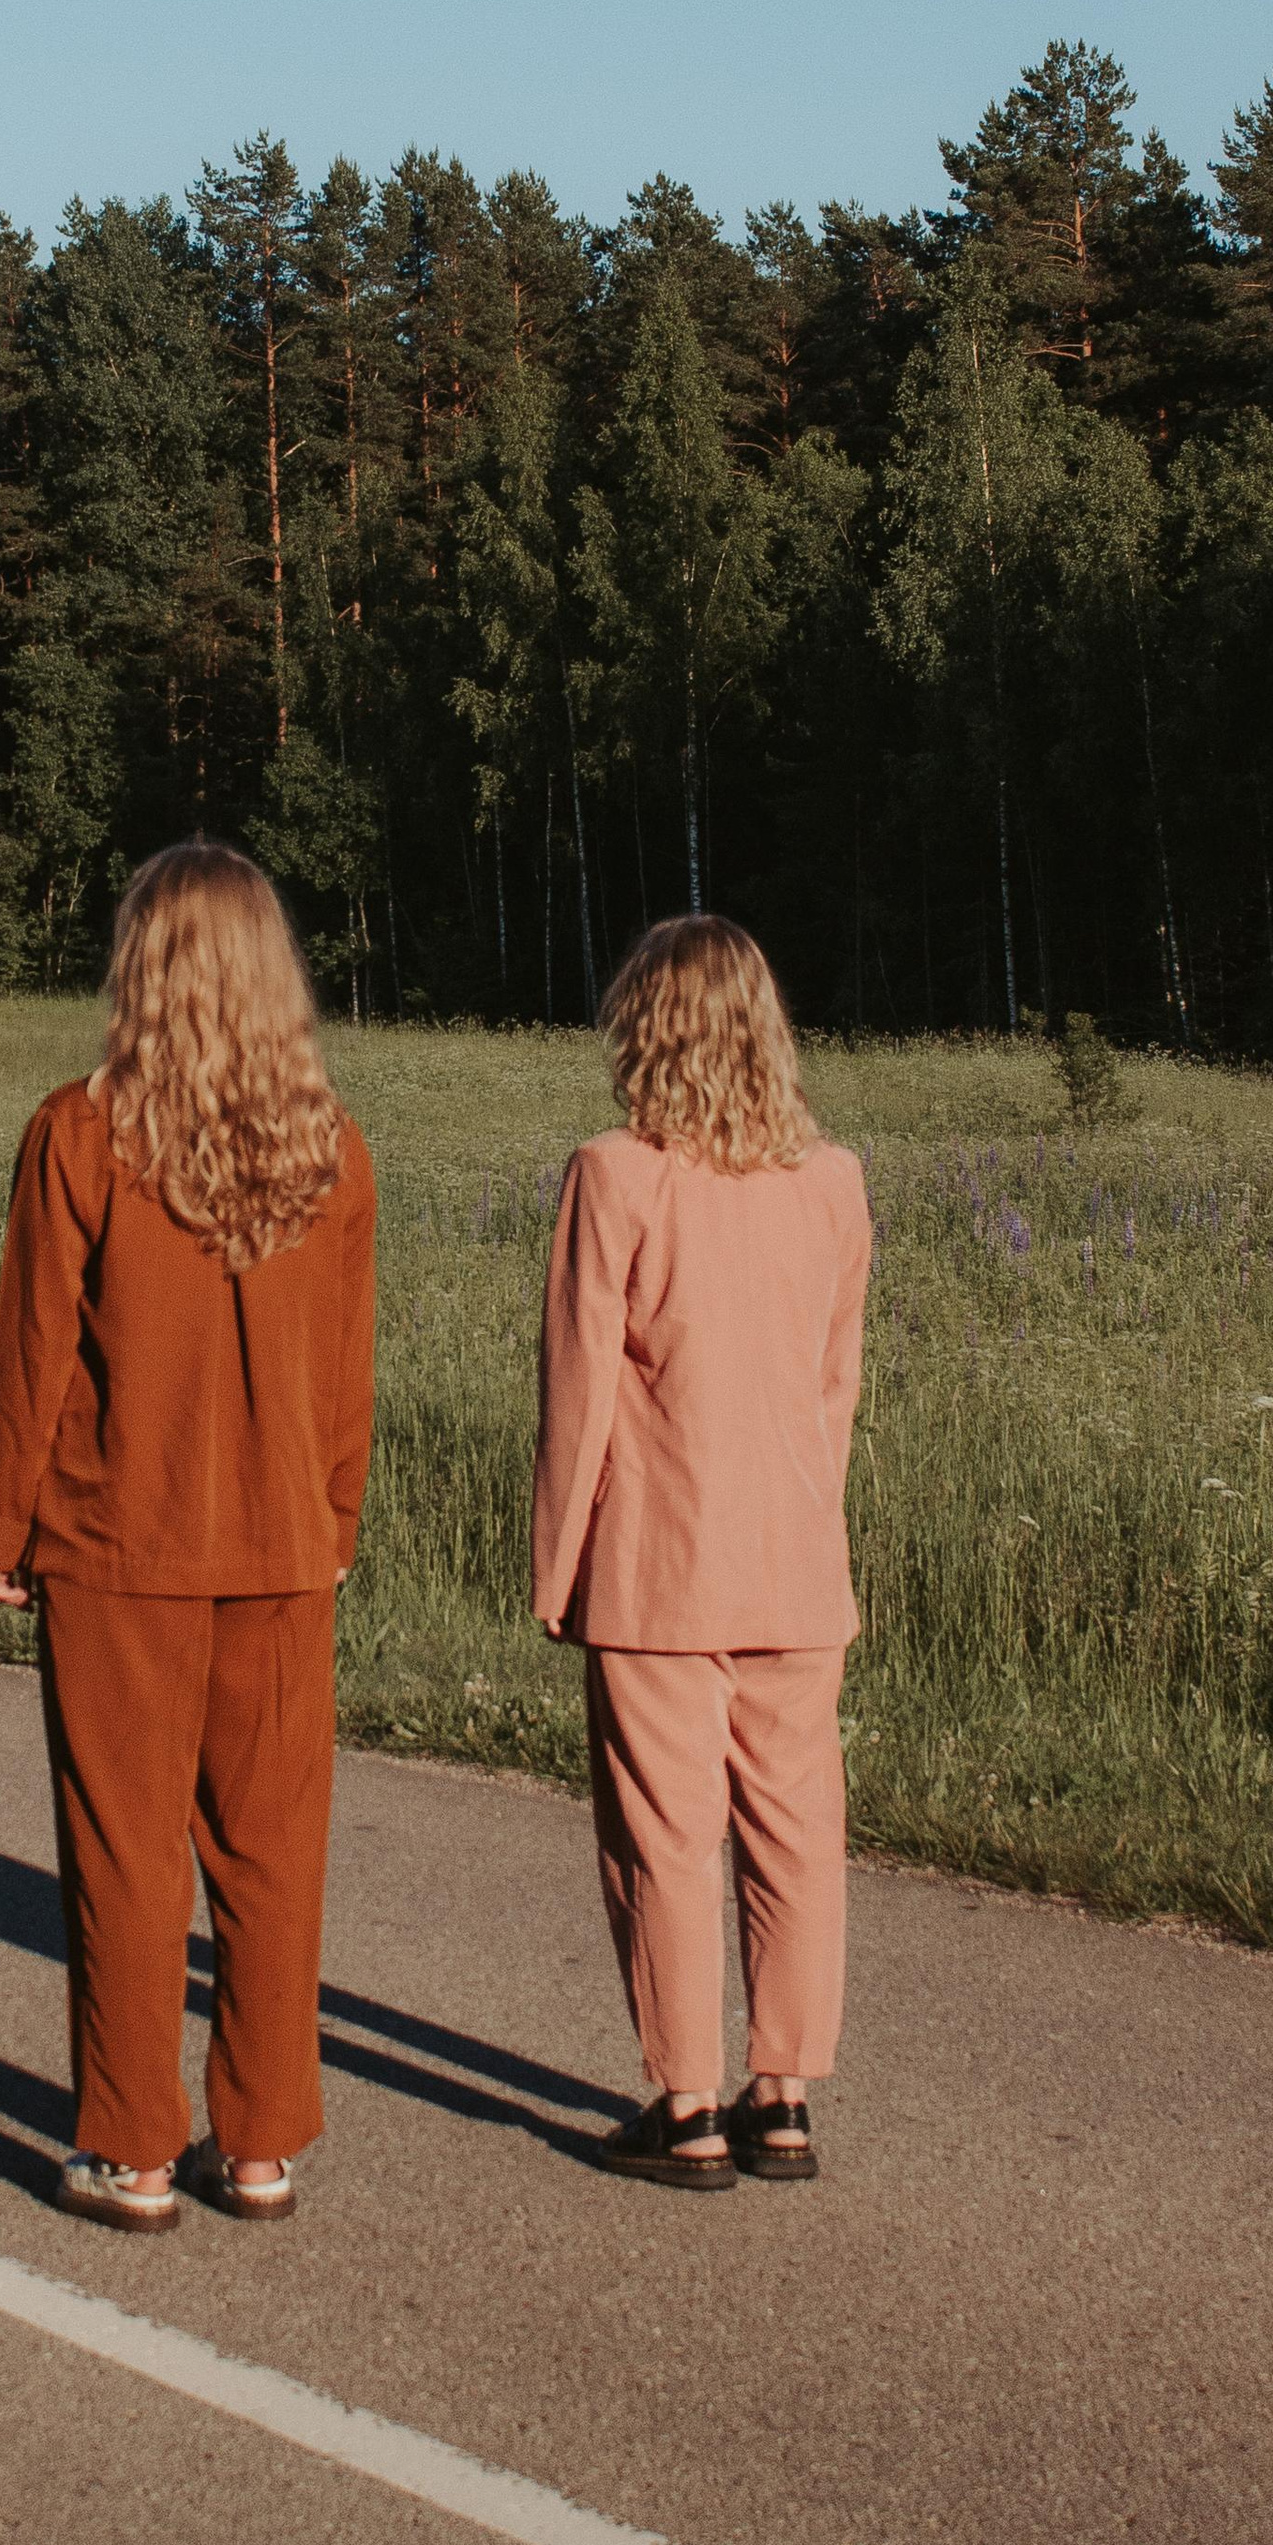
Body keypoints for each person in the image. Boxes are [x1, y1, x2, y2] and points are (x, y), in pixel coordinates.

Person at [0, 843, 377, 2232]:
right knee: (272, 1855)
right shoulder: (332, 1148)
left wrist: (4, 1521)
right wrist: (336, 1519)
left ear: (141, 967)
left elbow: (34, 1349)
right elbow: (345, 1373)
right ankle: (261, 2142)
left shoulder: (78, 1134)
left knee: (126, 1853)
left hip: (115, 1543)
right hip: (280, 1546)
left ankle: (136, 2147)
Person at [533, 915, 870, 2189]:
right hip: (795, 1560)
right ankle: (780, 2096)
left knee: (664, 1836)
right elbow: (834, 1388)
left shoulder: (614, 1174)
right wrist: (806, 1518)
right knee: (794, 1832)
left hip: (656, 1566)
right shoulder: (832, 1180)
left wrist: (556, 1566)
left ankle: (683, 2102)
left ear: (645, 1030)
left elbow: (580, 1396)